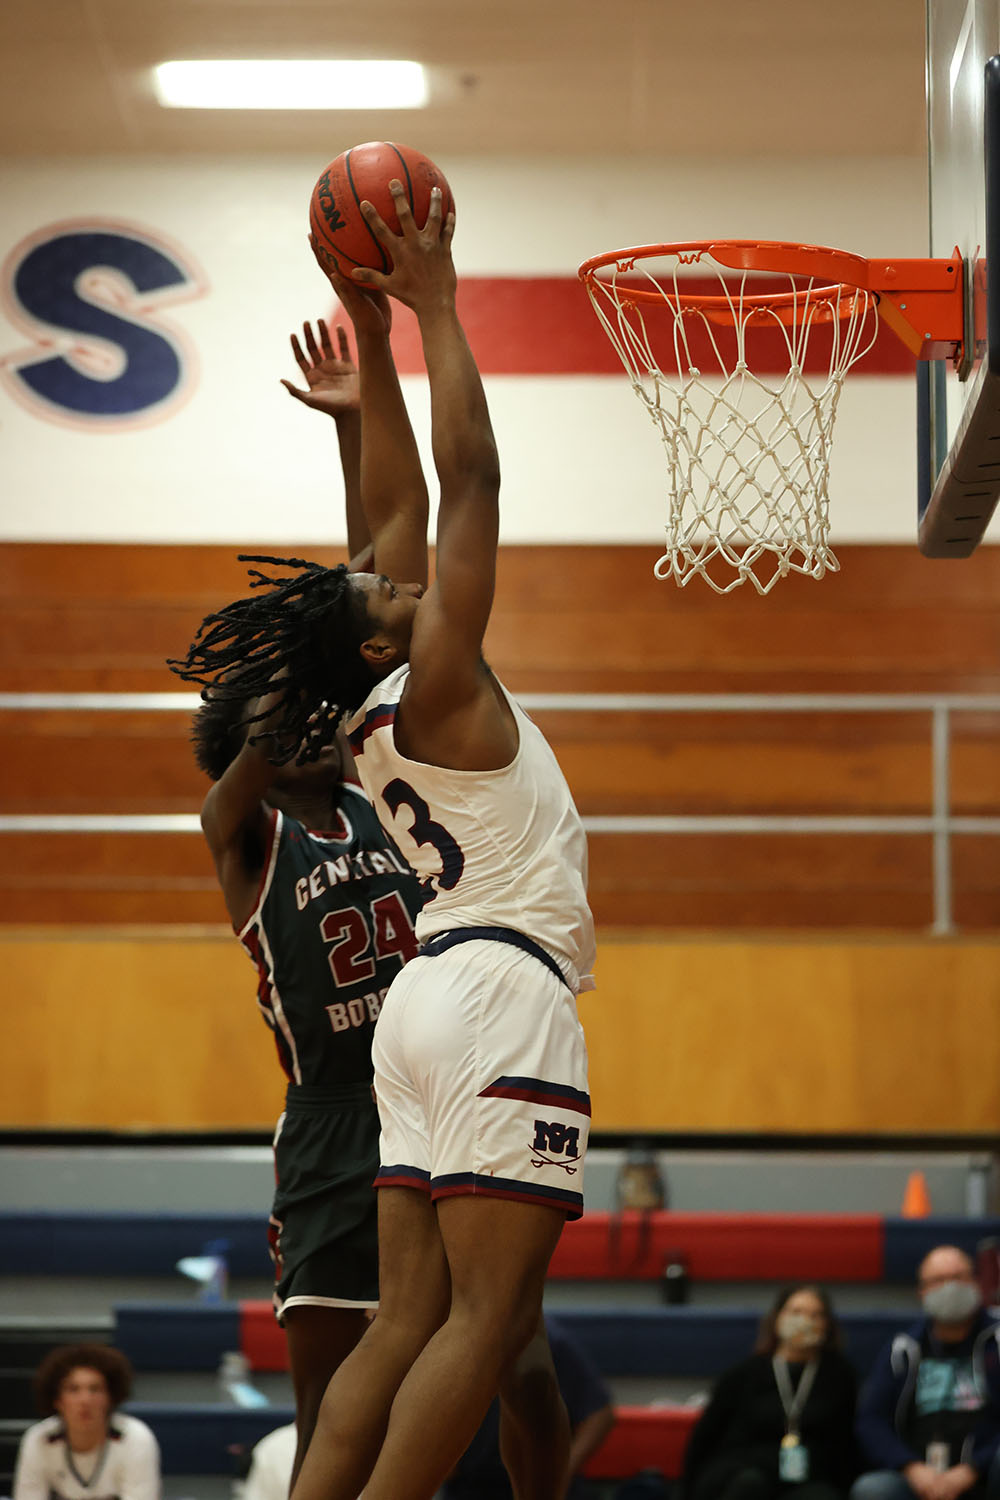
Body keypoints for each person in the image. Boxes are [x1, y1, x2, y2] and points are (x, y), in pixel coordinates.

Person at [169, 182, 595, 1500]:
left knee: (410, 1322)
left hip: (417, 1010)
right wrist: (437, 304)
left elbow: (388, 529)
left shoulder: (371, 705)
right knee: (484, 1329)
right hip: (499, 988)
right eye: (392, 593)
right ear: (377, 639)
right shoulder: (445, 679)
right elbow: (472, 482)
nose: (409, 579)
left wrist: (368, 338)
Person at [178, 315, 424, 1487]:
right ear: (255, 747)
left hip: (431, 1090)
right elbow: (272, 717)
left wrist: (352, 428)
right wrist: (273, 689)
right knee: (333, 1403)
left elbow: (368, 592)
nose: (324, 717)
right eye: (297, 720)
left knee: (466, 1364)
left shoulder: (385, 786)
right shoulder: (247, 831)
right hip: (329, 1119)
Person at [851, 1245, 1000, 1500]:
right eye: (938, 1280)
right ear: (921, 1292)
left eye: (958, 1277)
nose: (949, 1287)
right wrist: (911, 1467)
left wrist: (973, 1468)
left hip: (986, 1472)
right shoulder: (902, 1348)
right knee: (872, 1490)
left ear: (975, 1283)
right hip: (918, 1477)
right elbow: (871, 1420)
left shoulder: (997, 1341)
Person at [682, 1285, 858, 1500]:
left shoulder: (841, 1378)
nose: (805, 1321)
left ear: (828, 1325)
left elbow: (848, 1445)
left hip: (810, 1479)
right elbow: (705, 1438)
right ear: (777, 1318)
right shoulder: (743, 1375)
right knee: (749, 1485)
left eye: (816, 1315)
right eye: (796, 1312)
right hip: (746, 1472)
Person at [442, 1315, 615, 1500]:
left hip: (541, 1486)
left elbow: (599, 1415)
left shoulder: (550, 1341)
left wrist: (564, 1470)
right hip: (471, 1487)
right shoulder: (447, 1343)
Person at [13, 1343, 160, 1500]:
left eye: (95, 1389)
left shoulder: (135, 1438)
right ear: (57, 1400)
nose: (85, 1400)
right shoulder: (39, 1439)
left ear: (110, 1398)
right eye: (73, 1389)